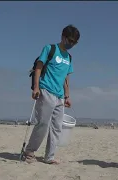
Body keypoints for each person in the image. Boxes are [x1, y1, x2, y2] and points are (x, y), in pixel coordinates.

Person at [23, 25, 80, 164]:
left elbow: (66, 77)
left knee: (57, 127)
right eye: (70, 40)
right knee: (42, 124)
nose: (71, 44)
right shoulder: (50, 49)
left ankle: (49, 156)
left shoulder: (69, 57)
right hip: (46, 91)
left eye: (74, 42)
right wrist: (36, 87)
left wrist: (67, 95)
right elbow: (39, 67)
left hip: (60, 96)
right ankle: (30, 152)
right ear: (63, 37)